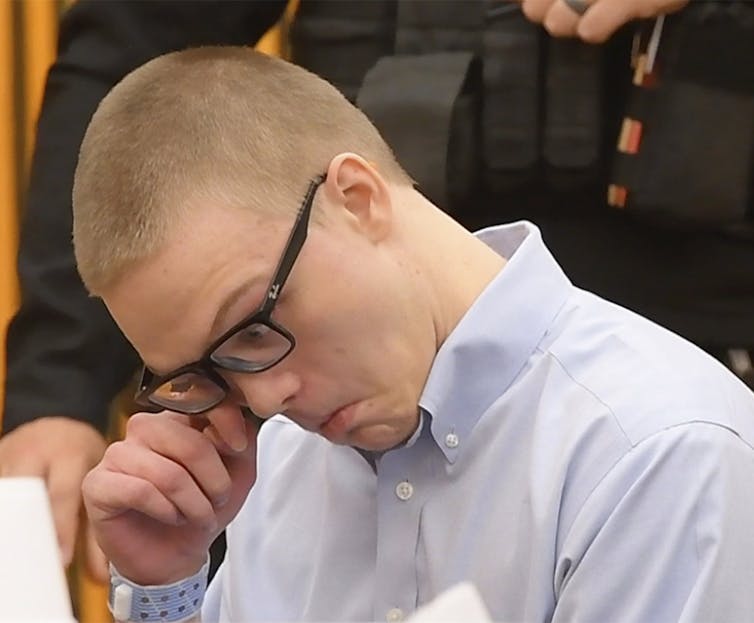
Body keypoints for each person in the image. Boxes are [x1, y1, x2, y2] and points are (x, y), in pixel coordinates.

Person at [3, 0, 753, 582]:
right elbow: (140, 71)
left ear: (359, 195)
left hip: (690, 301)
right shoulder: (281, 462)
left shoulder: (671, 443)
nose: (260, 406)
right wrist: (57, 380)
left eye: (248, 332)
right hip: (335, 276)